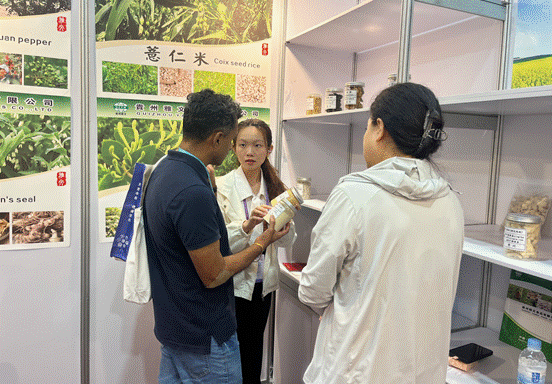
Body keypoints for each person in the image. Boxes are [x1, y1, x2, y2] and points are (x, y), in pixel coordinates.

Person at [298, 82, 464, 383]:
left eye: (367, 127)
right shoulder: (450, 201)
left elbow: (313, 289)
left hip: (355, 372)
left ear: (379, 129)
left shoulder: (353, 196)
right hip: (423, 373)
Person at [143, 89, 290, 384]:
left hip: (176, 329)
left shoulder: (164, 170)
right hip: (204, 337)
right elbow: (214, 274)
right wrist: (262, 242)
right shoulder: (192, 190)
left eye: (257, 145)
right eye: (237, 141)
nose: (244, 151)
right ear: (219, 138)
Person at [216, 119, 297, 384]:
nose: (249, 152)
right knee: (229, 358)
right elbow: (219, 243)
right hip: (232, 285)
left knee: (253, 356)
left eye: (257, 145)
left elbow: (287, 241)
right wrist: (247, 225)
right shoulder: (221, 187)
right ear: (233, 148)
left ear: (269, 149)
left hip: (263, 287)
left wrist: (282, 229)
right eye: (242, 145)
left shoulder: (275, 187)